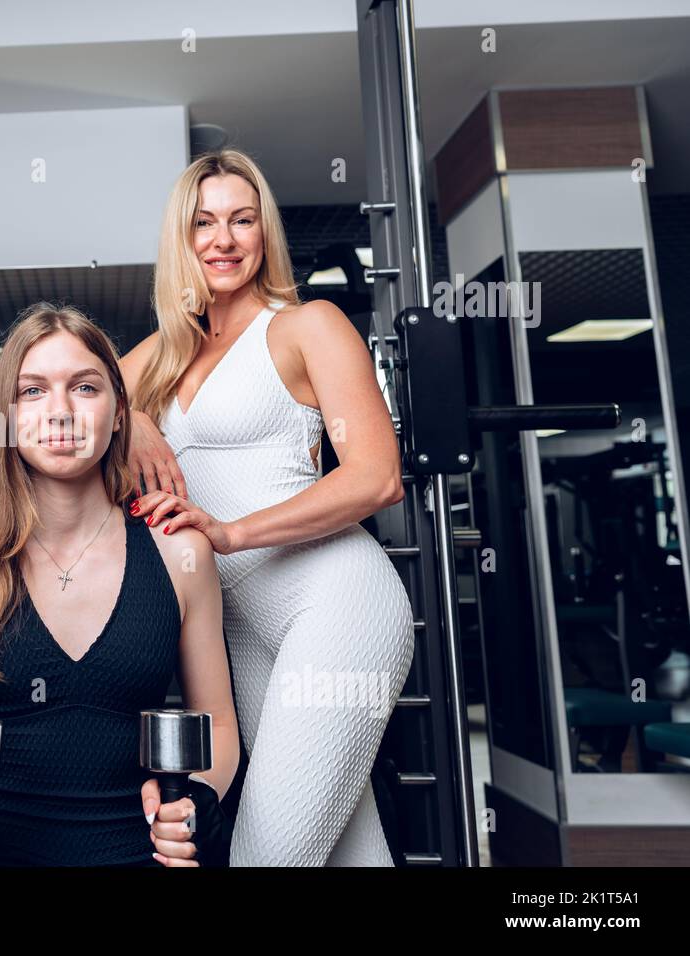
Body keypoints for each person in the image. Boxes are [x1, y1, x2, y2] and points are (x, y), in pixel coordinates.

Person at [120, 148, 415, 865]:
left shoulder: (304, 325)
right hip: (248, 624)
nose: (223, 239)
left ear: (264, 233)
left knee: (265, 852)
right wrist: (129, 419)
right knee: (347, 849)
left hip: (337, 602)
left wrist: (231, 532)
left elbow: (378, 478)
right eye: (204, 223)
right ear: (180, 240)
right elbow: (18, 396)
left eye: (242, 220)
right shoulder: (162, 355)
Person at [0, 303, 240, 866]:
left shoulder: (180, 549)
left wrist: (198, 801)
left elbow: (220, 726)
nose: (59, 412)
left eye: (84, 388)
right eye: (33, 392)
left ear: (118, 413)